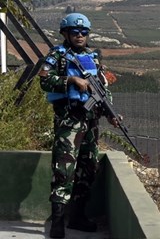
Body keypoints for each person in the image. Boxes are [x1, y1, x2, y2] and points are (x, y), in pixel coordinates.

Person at [39, 13, 117, 238]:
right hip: (69, 121)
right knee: (63, 170)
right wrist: (71, 81)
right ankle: (57, 222)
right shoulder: (58, 55)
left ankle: (78, 216)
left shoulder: (93, 56)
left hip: (91, 123)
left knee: (89, 168)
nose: (80, 36)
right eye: (75, 32)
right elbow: (44, 80)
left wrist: (110, 112)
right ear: (66, 33)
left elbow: (102, 89)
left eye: (84, 32)